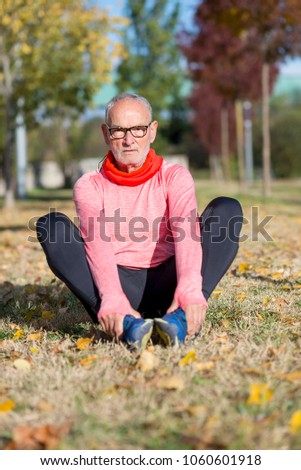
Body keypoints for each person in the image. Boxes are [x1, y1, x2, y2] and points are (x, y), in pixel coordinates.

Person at [36, 92, 243, 349]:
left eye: (138, 129)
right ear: (105, 133)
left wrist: (189, 287)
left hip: (171, 278)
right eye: (118, 130)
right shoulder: (89, 186)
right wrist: (112, 296)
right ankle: (124, 322)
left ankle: (182, 316)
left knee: (227, 209)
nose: (128, 139)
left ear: (152, 131)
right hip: (117, 285)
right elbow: (96, 244)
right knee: (51, 226)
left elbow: (187, 232)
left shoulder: (174, 176)